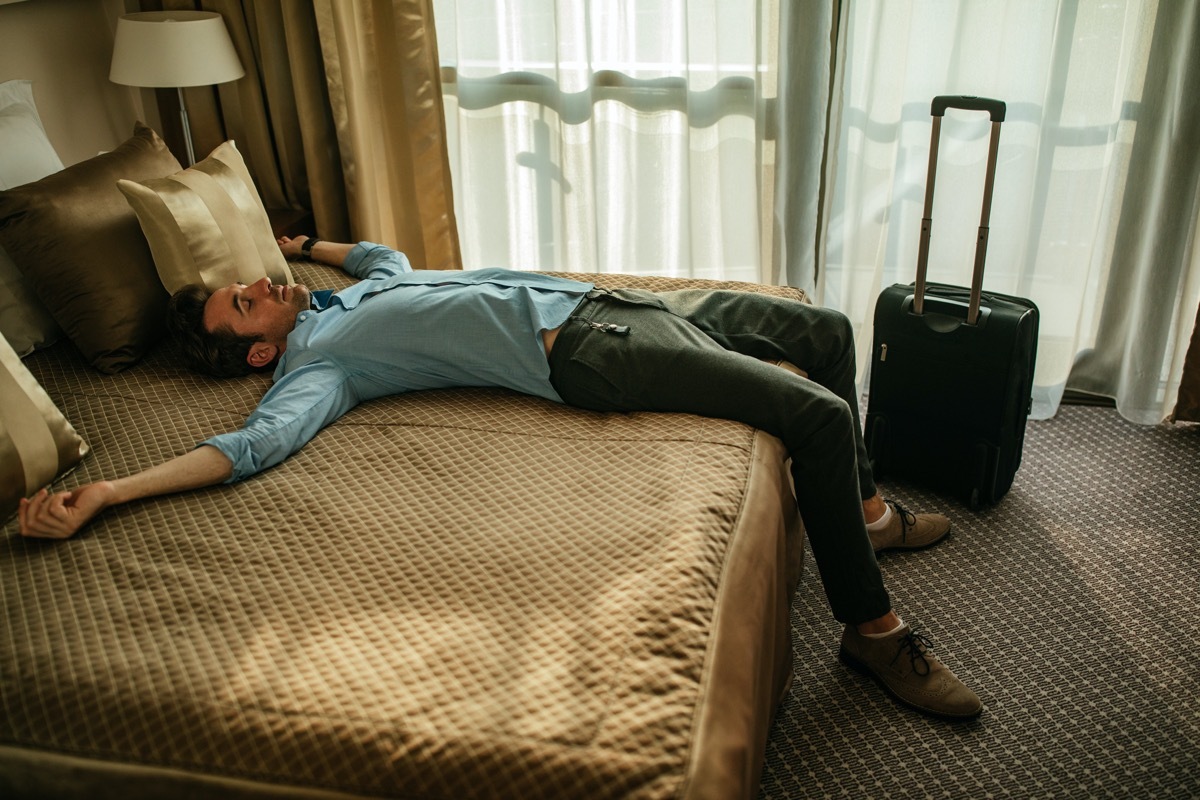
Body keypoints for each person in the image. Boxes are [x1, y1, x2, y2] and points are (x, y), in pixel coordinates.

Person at [18, 236, 983, 720]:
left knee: (827, 332)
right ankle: (873, 632)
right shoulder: (323, 367)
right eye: (246, 302)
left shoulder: (359, 289)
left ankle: (862, 508)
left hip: (609, 299)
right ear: (261, 356)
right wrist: (109, 491)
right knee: (811, 409)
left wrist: (305, 242)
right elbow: (251, 448)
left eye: (255, 277)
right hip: (588, 350)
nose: (263, 283)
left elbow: (385, 255)